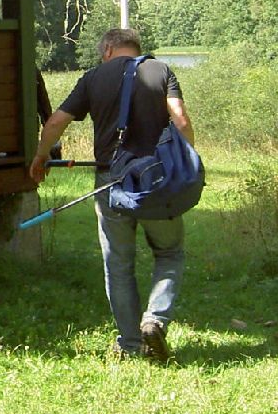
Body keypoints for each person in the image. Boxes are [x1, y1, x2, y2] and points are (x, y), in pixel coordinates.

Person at [28, 27, 196, 362]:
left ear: (107, 49)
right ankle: (155, 320)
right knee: (169, 253)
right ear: (136, 49)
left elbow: (56, 123)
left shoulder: (93, 78)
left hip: (111, 182)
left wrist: (41, 155)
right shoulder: (159, 70)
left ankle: (131, 344)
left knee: (117, 265)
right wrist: (187, 161)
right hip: (157, 182)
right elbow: (180, 120)